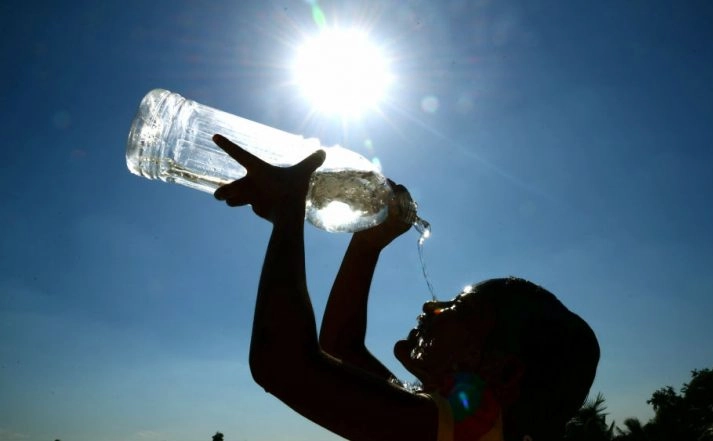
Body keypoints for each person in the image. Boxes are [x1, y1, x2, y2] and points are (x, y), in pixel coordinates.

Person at [212, 134, 600, 441]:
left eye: (460, 309)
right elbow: (340, 348)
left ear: (505, 371)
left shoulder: (470, 430)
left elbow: (283, 365)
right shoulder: (458, 425)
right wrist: (367, 244)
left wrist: (289, 208)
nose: (432, 307)